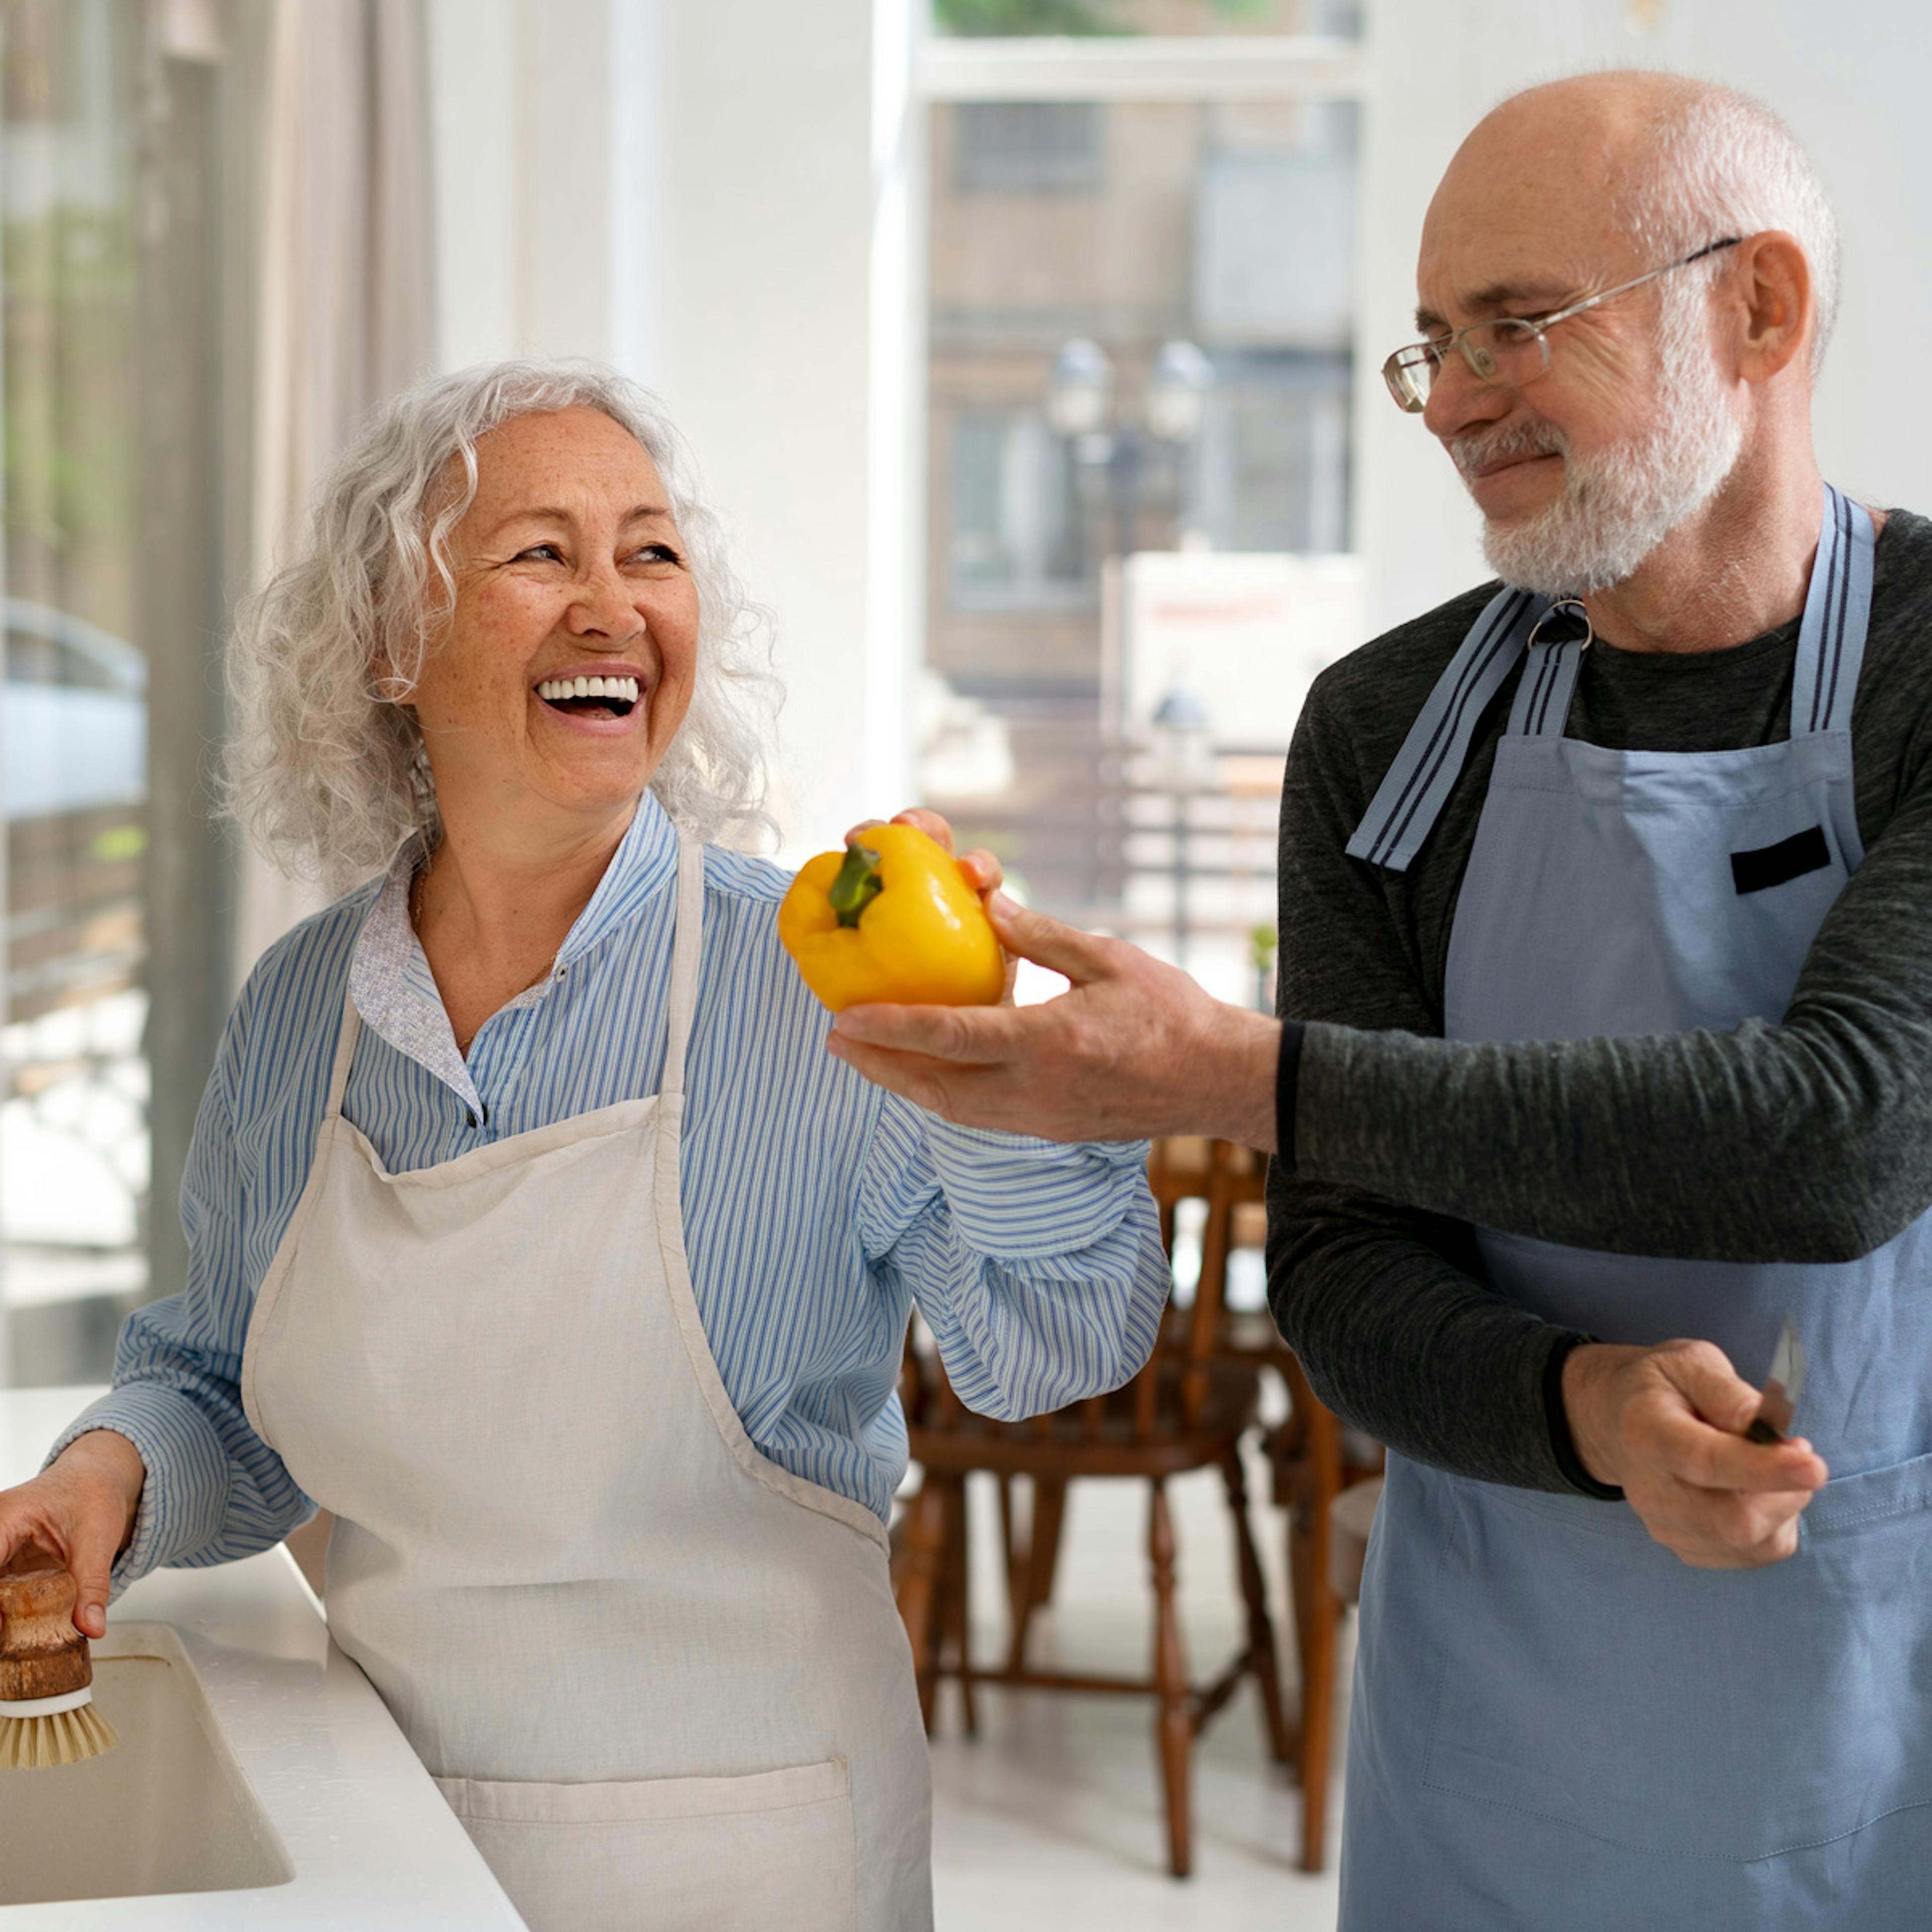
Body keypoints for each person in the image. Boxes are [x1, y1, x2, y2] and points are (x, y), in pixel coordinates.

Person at [829, 72, 1932, 1926]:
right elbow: (1340, 1273)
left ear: (1760, 309)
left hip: (1869, 1685)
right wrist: (1579, 1405)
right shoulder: (1382, 733)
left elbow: (1845, 1133)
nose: (1464, 398)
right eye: (1432, 345)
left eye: (1522, 324)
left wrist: (1243, 1075)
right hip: (1502, 1708)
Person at [0, 361, 1169, 1932]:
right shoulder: (306, 1010)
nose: (614, 606)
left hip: (758, 1857)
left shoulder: (824, 984)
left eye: (654, 553)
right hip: (385, 1838)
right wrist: (106, 1475)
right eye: (542, 554)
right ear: (391, 642)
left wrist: (1004, 1074)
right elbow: (227, 1389)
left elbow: (1062, 1350)